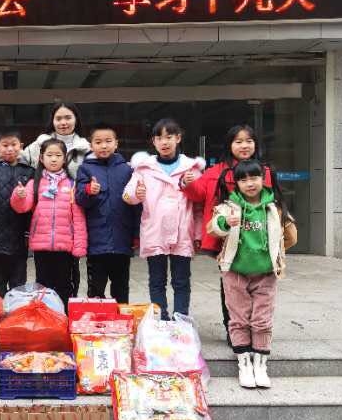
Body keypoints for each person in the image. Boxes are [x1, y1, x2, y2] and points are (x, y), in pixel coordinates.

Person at [0, 100, 90, 296]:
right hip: (43, 228)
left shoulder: (85, 148)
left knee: (69, 277)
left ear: (76, 119)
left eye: (68, 117)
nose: (63, 122)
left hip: (72, 212)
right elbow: (17, 154)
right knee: (44, 281)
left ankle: (67, 307)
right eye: (59, 118)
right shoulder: (39, 146)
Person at [207, 159, 297, 388]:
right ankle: (244, 364)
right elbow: (213, 227)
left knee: (262, 319)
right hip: (235, 272)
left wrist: (275, 253)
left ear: (263, 179)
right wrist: (225, 222)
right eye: (243, 179)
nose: (249, 183)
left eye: (254, 178)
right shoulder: (229, 206)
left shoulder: (274, 208)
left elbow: (291, 237)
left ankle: (260, 364)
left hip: (266, 273)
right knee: (238, 318)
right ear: (236, 183)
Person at [182, 124, 274, 345]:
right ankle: (233, 329)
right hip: (226, 240)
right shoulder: (215, 172)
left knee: (260, 289)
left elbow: (271, 201)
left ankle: (257, 330)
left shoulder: (265, 171)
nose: (244, 146)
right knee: (232, 287)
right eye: (238, 141)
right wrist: (187, 183)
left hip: (256, 239)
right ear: (229, 145)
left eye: (249, 141)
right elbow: (198, 194)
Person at [123, 118, 204, 320]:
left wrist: (198, 234)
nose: (164, 142)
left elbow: (199, 204)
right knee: (157, 280)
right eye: (159, 138)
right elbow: (128, 195)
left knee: (181, 281)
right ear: (153, 141)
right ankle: (162, 321)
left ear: (178, 138)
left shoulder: (191, 168)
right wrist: (136, 194)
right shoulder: (144, 168)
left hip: (182, 231)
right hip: (155, 231)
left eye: (169, 137)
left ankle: (181, 320)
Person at [10, 138, 87, 309]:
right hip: (41, 246)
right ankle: (46, 319)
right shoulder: (35, 183)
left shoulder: (71, 184)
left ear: (65, 159)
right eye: (49, 155)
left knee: (64, 286)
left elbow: (78, 218)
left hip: (65, 247)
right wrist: (19, 195)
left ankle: (64, 317)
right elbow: (22, 207)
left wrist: (79, 246)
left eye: (58, 155)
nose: (53, 159)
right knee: (43, 286)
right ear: (41, 158)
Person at [75, 123, 140, 304]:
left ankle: (120, 320)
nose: (103, 146)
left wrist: (136, 235)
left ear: (116, 143)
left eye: (108, 141)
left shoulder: (127, 170)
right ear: (91, 145)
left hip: (122, 241)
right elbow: (79, 200)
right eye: (98, 142)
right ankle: (96, 320)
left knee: (121, 288)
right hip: (96, 243)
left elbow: (135, 206)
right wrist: (89, 191)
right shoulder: (85, 169)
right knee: (96, 290)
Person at [0, 129, 35, 297]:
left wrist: (29, 233)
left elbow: (31, 207)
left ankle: (15, 313)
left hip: (18, 240)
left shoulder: (28, 171)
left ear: (21, 146)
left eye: (13, 144)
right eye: (5, 145)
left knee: (18, 285)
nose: (10, 149)